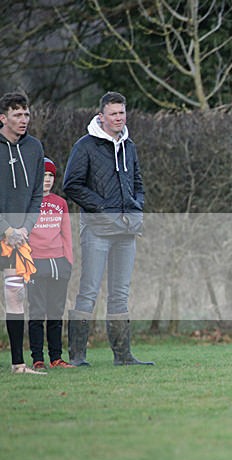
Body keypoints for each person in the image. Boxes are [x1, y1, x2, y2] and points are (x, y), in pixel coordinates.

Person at [63, 91, 153, 366]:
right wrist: (103, 209)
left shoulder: (130, 146)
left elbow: (137, 182)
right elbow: (72, 185)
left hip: (126, 233)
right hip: (97, 230)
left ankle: (123, 356)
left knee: (120, 294)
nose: (119, 118)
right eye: (113, 113)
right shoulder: (85, 146)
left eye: (122, 113)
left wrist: (136, 208)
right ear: (101, 116)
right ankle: (77, 356)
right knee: (88, 291)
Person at [0, 92, 45, 374]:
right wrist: (4, 228)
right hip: (4, 230)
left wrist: (24, 229)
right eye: (17, 115)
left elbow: (38, 194)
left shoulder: (34, 148)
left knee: (15, 295)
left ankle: (18, 364)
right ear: (3, 118)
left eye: (26, 115)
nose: (23, 120)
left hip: (17, 238)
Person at [28, 157, 76, 369]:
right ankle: (37, 359)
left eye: (50, 176)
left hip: (58, 264)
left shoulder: (60, 203)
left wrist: (68, 262)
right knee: (37, 312)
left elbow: (67, 235)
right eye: (43, 176)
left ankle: (56, 357)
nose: (47, 180)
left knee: (56, 313)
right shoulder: (27, 202)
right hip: (35, 262)